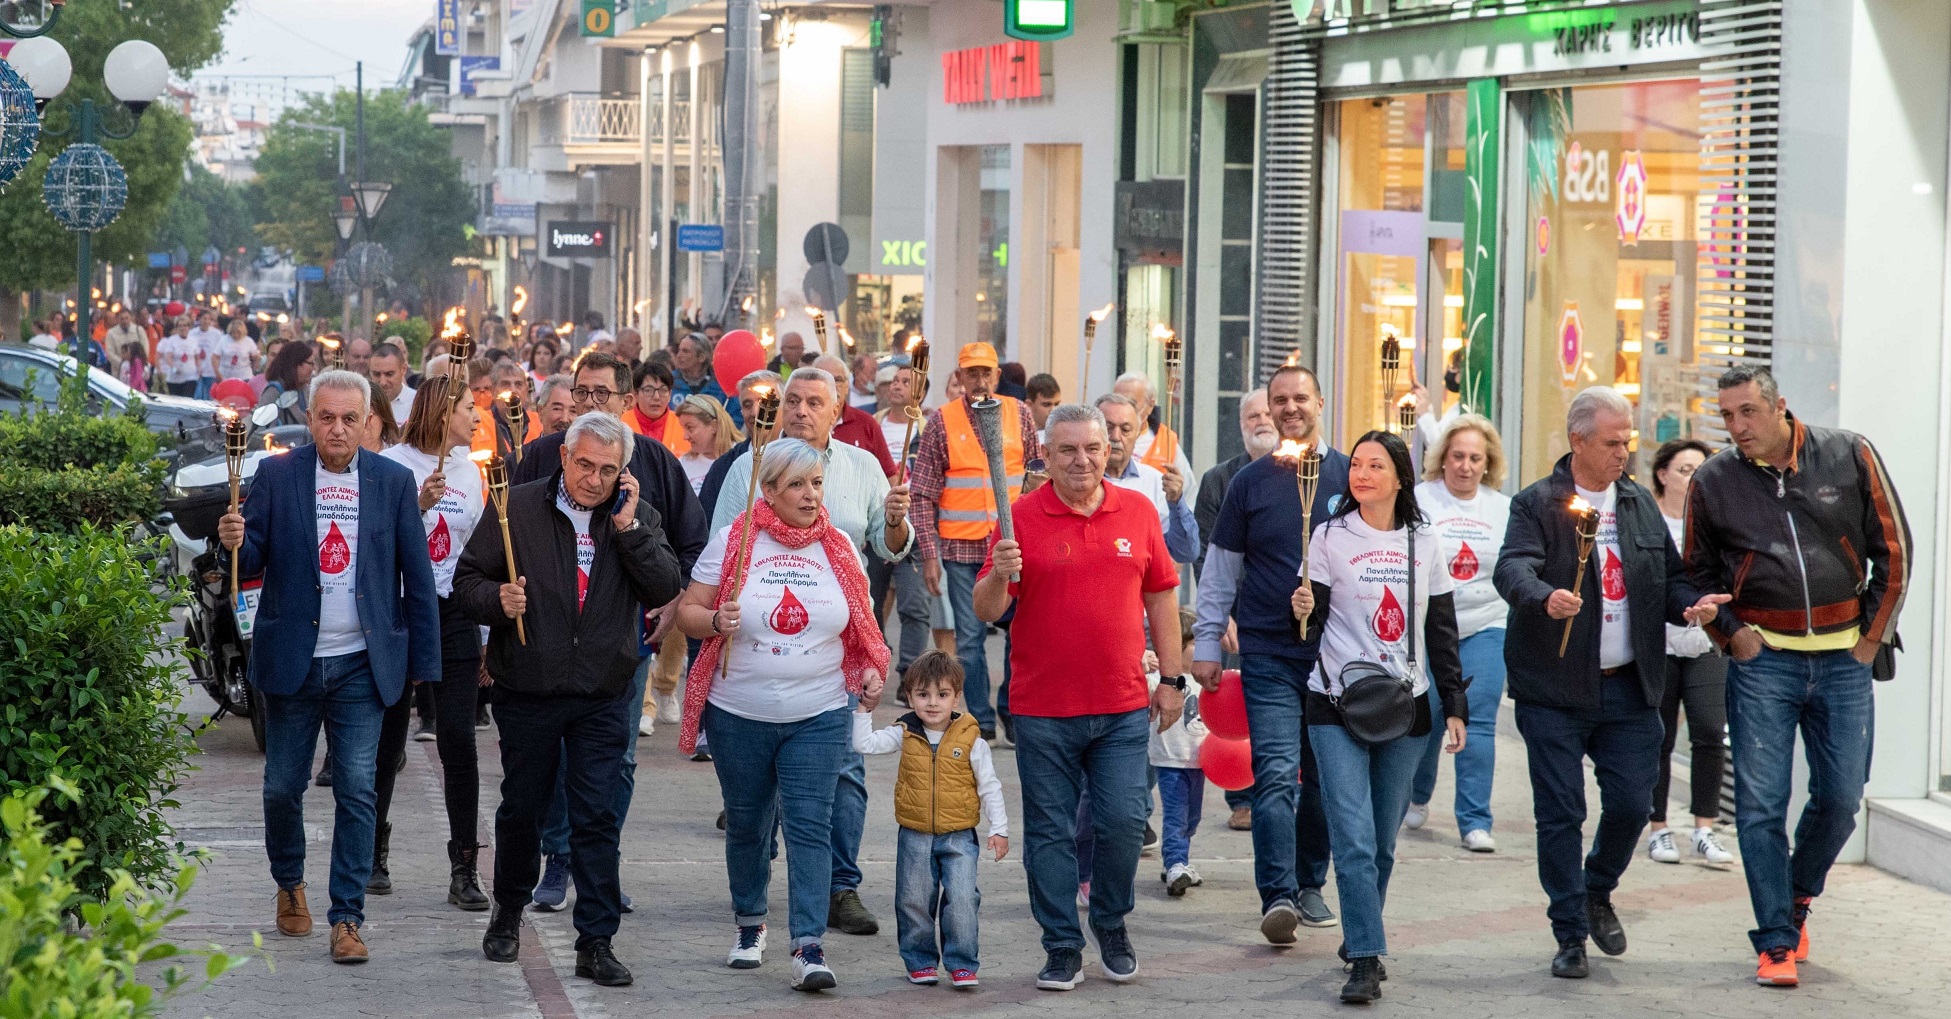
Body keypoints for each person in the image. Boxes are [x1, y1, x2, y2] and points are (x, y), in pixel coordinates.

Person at [1685, 365, 1911, 988]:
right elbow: (1695, 574)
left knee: (1840, 800)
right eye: (1727, 416)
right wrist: (1731, 631)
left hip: (1845, 661)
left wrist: (1872, 639)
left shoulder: (1849, 453)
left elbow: (1895, 550)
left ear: (1779, 406)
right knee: (1760, 806)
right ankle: (1776, 942)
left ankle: (1798, 897)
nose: (1737, 428)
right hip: (1763, 664)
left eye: (1747, 413)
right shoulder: (1714, 480)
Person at [1493, 385, 1728, 981]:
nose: (1624, 452)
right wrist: (1544, 597)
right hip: (1554, 687)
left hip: (1628, 686)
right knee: (1561, 813)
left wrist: (1693, 605)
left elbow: (1670, 580)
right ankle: (1569, 932)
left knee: (1630, 802)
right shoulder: (1538, 503)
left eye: (1628, 441)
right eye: (1612, 442)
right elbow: (1511, 567)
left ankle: (1598, 889)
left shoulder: (1637, 505)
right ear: (1577, 441)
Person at [215, 369, 442, 965]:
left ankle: (347, 917)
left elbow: (417, 579)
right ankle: (290, 882)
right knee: (281, 789)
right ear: (310, 419)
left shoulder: (393, 482)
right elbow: (251, 556)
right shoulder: (276, 474)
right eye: (326, 418)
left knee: (359, 788)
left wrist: (423, 665)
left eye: (349, 419)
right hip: (293, 661)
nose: (337, 430)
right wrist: (232, 538)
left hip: (362, 665)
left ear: (368, 422)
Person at [457, 412, 682, 986]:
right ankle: (508, 912)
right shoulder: (517, 508)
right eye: (584, 465)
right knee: (522, 808)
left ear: (623, 472)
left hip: (602, 689)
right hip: (529, 686)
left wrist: (630, 530)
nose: (594, 479)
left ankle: (597, 940)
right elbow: (467, 580)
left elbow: (664, 588)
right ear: (564, 457)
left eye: (608, 470)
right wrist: (496, 599)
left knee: (596, 816)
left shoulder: (635, 516)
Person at [971, 403, 1183, 991]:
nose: (1082, 460)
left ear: (1108, 449)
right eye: (1067, 450)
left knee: (1123, 822)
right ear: (1045, 455)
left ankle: (1110, 923)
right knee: (1050, 833)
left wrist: (1172, 678)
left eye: (1092, 448)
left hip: (1119, 706)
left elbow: (1162, 596)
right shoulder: (1018, 519)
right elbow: (987, 611)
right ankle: (1062, 943)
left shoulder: (1137, 511)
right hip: (1042, 709)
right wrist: (996, 575)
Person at [673, 438, 893, 992]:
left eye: (816, 483)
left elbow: (863, 626)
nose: (810, 494)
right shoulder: (734, 539)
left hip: (818, 711)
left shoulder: (839, 546)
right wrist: (715, 622)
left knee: (810, 825)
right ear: (768, 490)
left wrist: (870, 670)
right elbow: (689, 612)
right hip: (738, 712)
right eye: (796, 484)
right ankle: (750, 925)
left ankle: (808, 946)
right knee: (748, 822)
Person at [711, 365, 913, 938]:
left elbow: (889, 547)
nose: (800, 410)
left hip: (835, 653)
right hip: (754, 660)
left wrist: (896, 523)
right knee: (756, 799)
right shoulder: (749, 466)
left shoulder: (863, 466)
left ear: (838, 408)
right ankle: (758, 887)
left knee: (844, 774)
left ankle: (839, 888)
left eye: (814, 402)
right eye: (792, 400)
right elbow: (722, 550)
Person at [513, 350, 709, 906]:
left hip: (626, 640)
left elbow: (692, 544)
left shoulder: (655, 461)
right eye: (583, 393)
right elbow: (505, 539)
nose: (591, 403)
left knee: (616, 757)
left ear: (627, 402)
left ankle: (601, 862)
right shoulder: (539, 457)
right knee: (557, 756)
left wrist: (673, 604)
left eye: (604, 394)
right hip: (549, 640)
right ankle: (557, 859)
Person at [1289, 430, 1467, 1003]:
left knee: (1383, 843)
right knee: (1355, 838)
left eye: (1375, 465)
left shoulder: (1424, 539)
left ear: (1399, 477)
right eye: (1356, 465)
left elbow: (1441, 630)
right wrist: (1300, 612)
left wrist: (1455, 707)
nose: (1360, 474)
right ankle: (1365, 956)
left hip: (1407, 705)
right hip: (1334, 703)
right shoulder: (1328, 536)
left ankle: (1362, 930)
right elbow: (1308, 634)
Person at [1192, 364, 1344, 942]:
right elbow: (1221, 571)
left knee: (1326, 778)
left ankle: (1310, 881)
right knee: (1277, 773)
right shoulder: (1250, 483)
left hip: (1335, 657)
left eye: (1300, 398)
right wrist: (1207, 642)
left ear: (1320, 402)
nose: (1289, 408)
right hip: (1268, 653)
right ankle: (1277, 894)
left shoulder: (1349, 474)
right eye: (1279, 400)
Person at [373, 377, 491, 911]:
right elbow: (377, 543)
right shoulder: (392, 466)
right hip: (401, 609)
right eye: (469, 408)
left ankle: (464, 865)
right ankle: (372, 852)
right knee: (388, 740)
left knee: (459, 742)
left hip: (455, 611)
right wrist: (418, 505)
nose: (477, 418)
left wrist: (488, 634)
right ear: (443, 412)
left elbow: (480, 555)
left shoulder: (472, 472)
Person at [909, 342, 1045, 740]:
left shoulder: (1017, 413)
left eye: (986, 372)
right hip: (962, 548)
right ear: (960, 377)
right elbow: (922, 493)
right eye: (972, 373)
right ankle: (982, 721)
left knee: (1018, 633)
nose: (980, 380)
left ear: (997, 376)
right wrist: (930, 556)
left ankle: (1011, 712)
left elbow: (1038, 468)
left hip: (1014, 544)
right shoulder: (941, 421)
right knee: (969, 638)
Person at [852, 651, 1008, 988]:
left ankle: (962, 963)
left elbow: (990, 785)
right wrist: (864, 709)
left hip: (960, 835)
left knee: (963, 899)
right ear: (909, 697)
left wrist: (999, 829)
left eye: (942, 694)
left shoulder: (971, 738)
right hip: (915, 833)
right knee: (913, 900)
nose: (932, 703)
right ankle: (920, 961)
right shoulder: (904, 732)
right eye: (923, 695)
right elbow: (863, 743)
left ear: (956, 695)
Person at [1405, 415, 1512, 852]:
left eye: (1475, 458)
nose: (1466, 466)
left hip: (1486, 623)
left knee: (1477, 719)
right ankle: (1415, 794)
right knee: (1426, 716)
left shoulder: (1503, 509)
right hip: (1428, 629)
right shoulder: (1418, 500)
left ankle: (1474, 821)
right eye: (1458, 456)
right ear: (1442, 459)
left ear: (1488, 464)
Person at [1639, 437, 1734, 868]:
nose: (1693, 479)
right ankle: (1657, 829)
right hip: (1658, 643)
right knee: (1659, 736)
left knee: (1710, 732)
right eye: (1684, 470)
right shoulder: (1648, 520)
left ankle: (1704, 829)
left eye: (1700, 471)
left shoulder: (1715, 522)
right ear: (1662, 475)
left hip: (1704, 643)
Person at [1194, 387, 1278, 831]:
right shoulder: (1218, 480)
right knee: (1235, 705)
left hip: (1285, 610)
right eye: (1252, 416)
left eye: (1268, 413)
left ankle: (1280, 792)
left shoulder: (1302, 473)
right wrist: (1217, 616)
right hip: (1235, 610)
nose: (1261, 421)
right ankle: (1241, 796)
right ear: (1241, 424)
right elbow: (1206, 552)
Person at [871, 361, 932, 681]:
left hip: (915, 527)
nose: (896, 385)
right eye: (894, 380)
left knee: (914, 606)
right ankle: (874, 662)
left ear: (919, 393)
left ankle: (910, 674)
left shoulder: (929, 428)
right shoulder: (873, 425)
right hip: (876, 524)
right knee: (870, 601)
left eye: (906, 381)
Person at [1095, 393, 1197, 563]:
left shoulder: (1156, 481)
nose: (1115, 436)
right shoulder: (1079, 479)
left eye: (1125, 429)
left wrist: (1176, 502)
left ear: (1137, 434)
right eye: (1108, 428)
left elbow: (1185, 552)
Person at [1151, 608, 1207, 897]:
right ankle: (1176, 864)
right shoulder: (1160, 680)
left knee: (1193, 817)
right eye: (1196, 643)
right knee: (1176, 815)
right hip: (1170, 761)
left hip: (1199, 762)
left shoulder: (1206, 679)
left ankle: (1176, 861)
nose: (1201, 650)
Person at [699, 370, 785, 519]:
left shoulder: (803, 458)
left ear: (785, 407)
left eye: (765, 402)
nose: (755, 412)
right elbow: (705, 525)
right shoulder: (725, 466)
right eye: (747, 405)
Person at [1113, 371, 1196, 505]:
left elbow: (1189, 495)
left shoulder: (1166, 442)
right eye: (1118, 401)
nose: (1124, 409)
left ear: (1150, 405)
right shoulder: (1099, 438)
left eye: (1131, 403)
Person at [814, 355, 898, 477]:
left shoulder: (867, 423)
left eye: (837, 380)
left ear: (847, 386)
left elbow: (889, 476)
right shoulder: (801, 423)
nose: (831, 385)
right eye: (824, 379)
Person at [675, 393, 739, 495]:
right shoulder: (682, 464)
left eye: (690, 428)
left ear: (714, 426)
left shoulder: (741, 457)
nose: (685, 437)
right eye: (684, 428)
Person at [623, 360, 688, 454]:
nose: (656, 397)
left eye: (663, 390)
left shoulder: (684, 424)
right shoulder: (620, 425)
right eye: (648, 390)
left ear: (670, 394)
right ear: (636, 394)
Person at [673, 332, 736, 428]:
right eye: (679, 350)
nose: (679, 355)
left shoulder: (721, 386)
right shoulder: (669, 383)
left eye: (685, 351)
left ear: (701, 357)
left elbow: (735, 418)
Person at [258, 341, 316, 425]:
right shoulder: (274, 391)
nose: (313, 368)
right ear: (297, 364)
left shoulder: (305, 390)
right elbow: (261, 427)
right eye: (311, 363)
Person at [369, 344, 416, 427]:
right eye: (376, 374)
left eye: (389, 374)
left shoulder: (418, 402)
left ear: (403, 369)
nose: (382, 382)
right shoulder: (361, 401)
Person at [157, 318, 202, 397]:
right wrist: (174, 368)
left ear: (188, 327)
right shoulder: (172, 340)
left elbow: (197, 357)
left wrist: (199, 369)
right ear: (177, 328)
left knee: (187, 399)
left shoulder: (193, 341)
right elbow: (168, 357)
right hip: (175, 379)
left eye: (185, 325)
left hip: (190, 377)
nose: (182, 328)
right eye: (180, 326)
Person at [190, 310, 225, 399]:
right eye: (204, 319)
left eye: (208, 319)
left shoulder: (216, 334)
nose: (206, 321)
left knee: (209, 395)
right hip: (196, 369)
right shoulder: (192, 333)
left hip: (211, 369)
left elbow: (220, 352)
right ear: (199, 319)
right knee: (197, 395)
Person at [104, 309, 145, 376]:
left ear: (131, 318)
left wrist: (136, 364)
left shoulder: (139, 330)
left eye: (126, 318)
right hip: (118, 373)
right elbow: (110, 354)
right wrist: (123, 365)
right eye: (122, 319)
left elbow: (144, 350)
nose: (124, 321)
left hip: (137, 372)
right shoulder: (111, 333)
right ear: (117, 319)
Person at [1025, 373, 1062, 445]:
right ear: (1028, 405)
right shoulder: (1021, 438)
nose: (1053, 410)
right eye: (1046, 405)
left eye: (1057, 404)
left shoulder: (1066, 435)